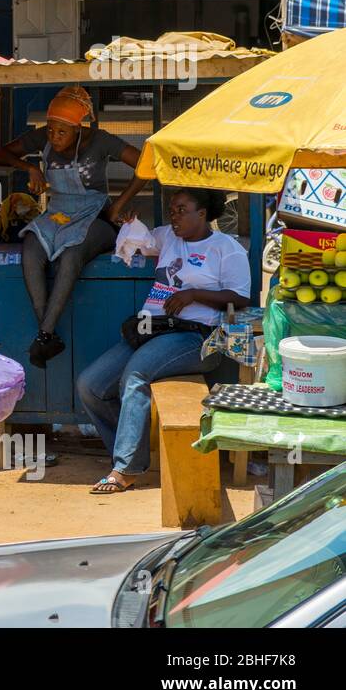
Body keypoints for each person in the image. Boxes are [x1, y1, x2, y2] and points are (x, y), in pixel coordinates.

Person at [76, 187, 250, 494]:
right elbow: (139, 238)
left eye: (182, 210)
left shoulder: (226, 247)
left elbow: (239, 298)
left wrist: (194, 295)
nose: (175, 216)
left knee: (136, 375)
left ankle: (125, 468)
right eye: (172, 210)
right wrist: (131, 222)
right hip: (152, 330)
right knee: (90, 385)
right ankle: (130, 449)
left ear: (203, 214)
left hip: (197, 337)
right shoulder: (168, 236)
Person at [0, 85, 145, 368]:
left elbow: (147, 164)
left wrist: (119, 204)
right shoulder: (43, 138)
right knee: (31, 248)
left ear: (79, 129)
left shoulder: (101, 141)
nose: (54, 136)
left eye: (62, 132)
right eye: (50, 130)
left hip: (94, 216)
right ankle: (46, 334)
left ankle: (43, 335)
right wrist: (30, 168)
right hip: (58, 213)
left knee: (72, 255)